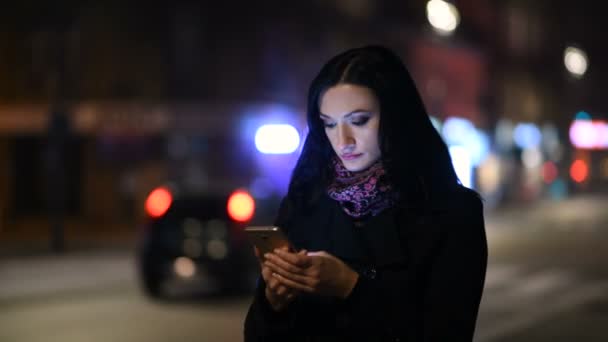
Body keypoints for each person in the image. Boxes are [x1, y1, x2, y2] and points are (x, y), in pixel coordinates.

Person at [244, 45, 487, 341]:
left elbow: (447, 331)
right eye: (329, 124)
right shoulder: (305, 202)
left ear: (397, 116)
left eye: (359, 121)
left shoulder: (452, 213)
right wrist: (274, 303)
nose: (343, 140)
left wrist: (349, 286)